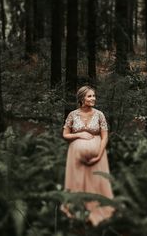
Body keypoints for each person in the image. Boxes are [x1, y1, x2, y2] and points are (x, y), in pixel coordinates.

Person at [61, 85, 114, 226]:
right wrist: (79, 134)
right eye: (90, 96)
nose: (93, 98)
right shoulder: (72, 114)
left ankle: (96, 212)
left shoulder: (99, 114)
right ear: (81, 98)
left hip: (97, 155)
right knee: (76, 182)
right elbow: (65, 134)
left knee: (96, 183)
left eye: (94, 96)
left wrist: (99, 155)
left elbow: (105, 137)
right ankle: (77, 210)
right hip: (75, 156)